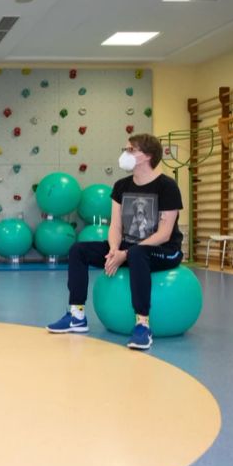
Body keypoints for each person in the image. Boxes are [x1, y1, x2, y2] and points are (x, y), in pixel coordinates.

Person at [46, 133, 184, 351]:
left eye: (131, 150)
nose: (125, 154)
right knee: (78, 250)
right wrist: (113, 249)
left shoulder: (167, 187)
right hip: (127, 249)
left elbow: (165, 234)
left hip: (163, 251)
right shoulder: (121, 186)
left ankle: (142, 325)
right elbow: (116, 226)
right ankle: (77, 315)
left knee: (138, 253)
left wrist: (126, 255)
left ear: (147, 156)